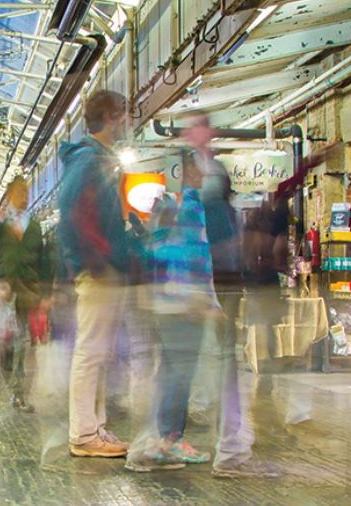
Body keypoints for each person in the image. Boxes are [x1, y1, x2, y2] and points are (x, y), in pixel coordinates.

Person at [182, 115, 284, 478]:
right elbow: (211, 229)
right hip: (212, 279)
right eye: (200, 126)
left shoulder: (211, 170)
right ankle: (229, 451)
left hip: (219, 279)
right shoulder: (196, 173)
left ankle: (228, 446)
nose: (206, 131)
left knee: (220, 360)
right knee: (220, 361)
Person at [56, 90, 138, 458]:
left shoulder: (98, 160)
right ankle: (84, 433)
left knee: (99, 352)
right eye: (123, 114)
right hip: (99, 272)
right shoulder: (88, 161)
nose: (126, 121)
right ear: (110, 115)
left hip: (105, 269)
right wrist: (99, 259)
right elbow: (73, 213)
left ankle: (95, 428)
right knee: (91, 351)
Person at [126, 158, 217, 473]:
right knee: (179, 375)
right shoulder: (192, 208)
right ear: (192, 172)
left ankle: (160, 438)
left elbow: (157, 253)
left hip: (166, 304)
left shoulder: (169, 211)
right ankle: (168, 440)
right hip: (183, 306)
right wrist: (202, 299)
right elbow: (196, 256)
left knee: (170, 372)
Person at [0, 176, 51, 413]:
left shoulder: (35, 226)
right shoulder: (0, 224)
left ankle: (19, 393)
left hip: (28, 291)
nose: (24, 196)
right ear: (10, 195)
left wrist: (45, 292)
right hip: (5, 292)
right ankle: (10, 379)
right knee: (6, 343)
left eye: (26, 192)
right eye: (20, 192)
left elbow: (42, 259)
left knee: (24, 343)